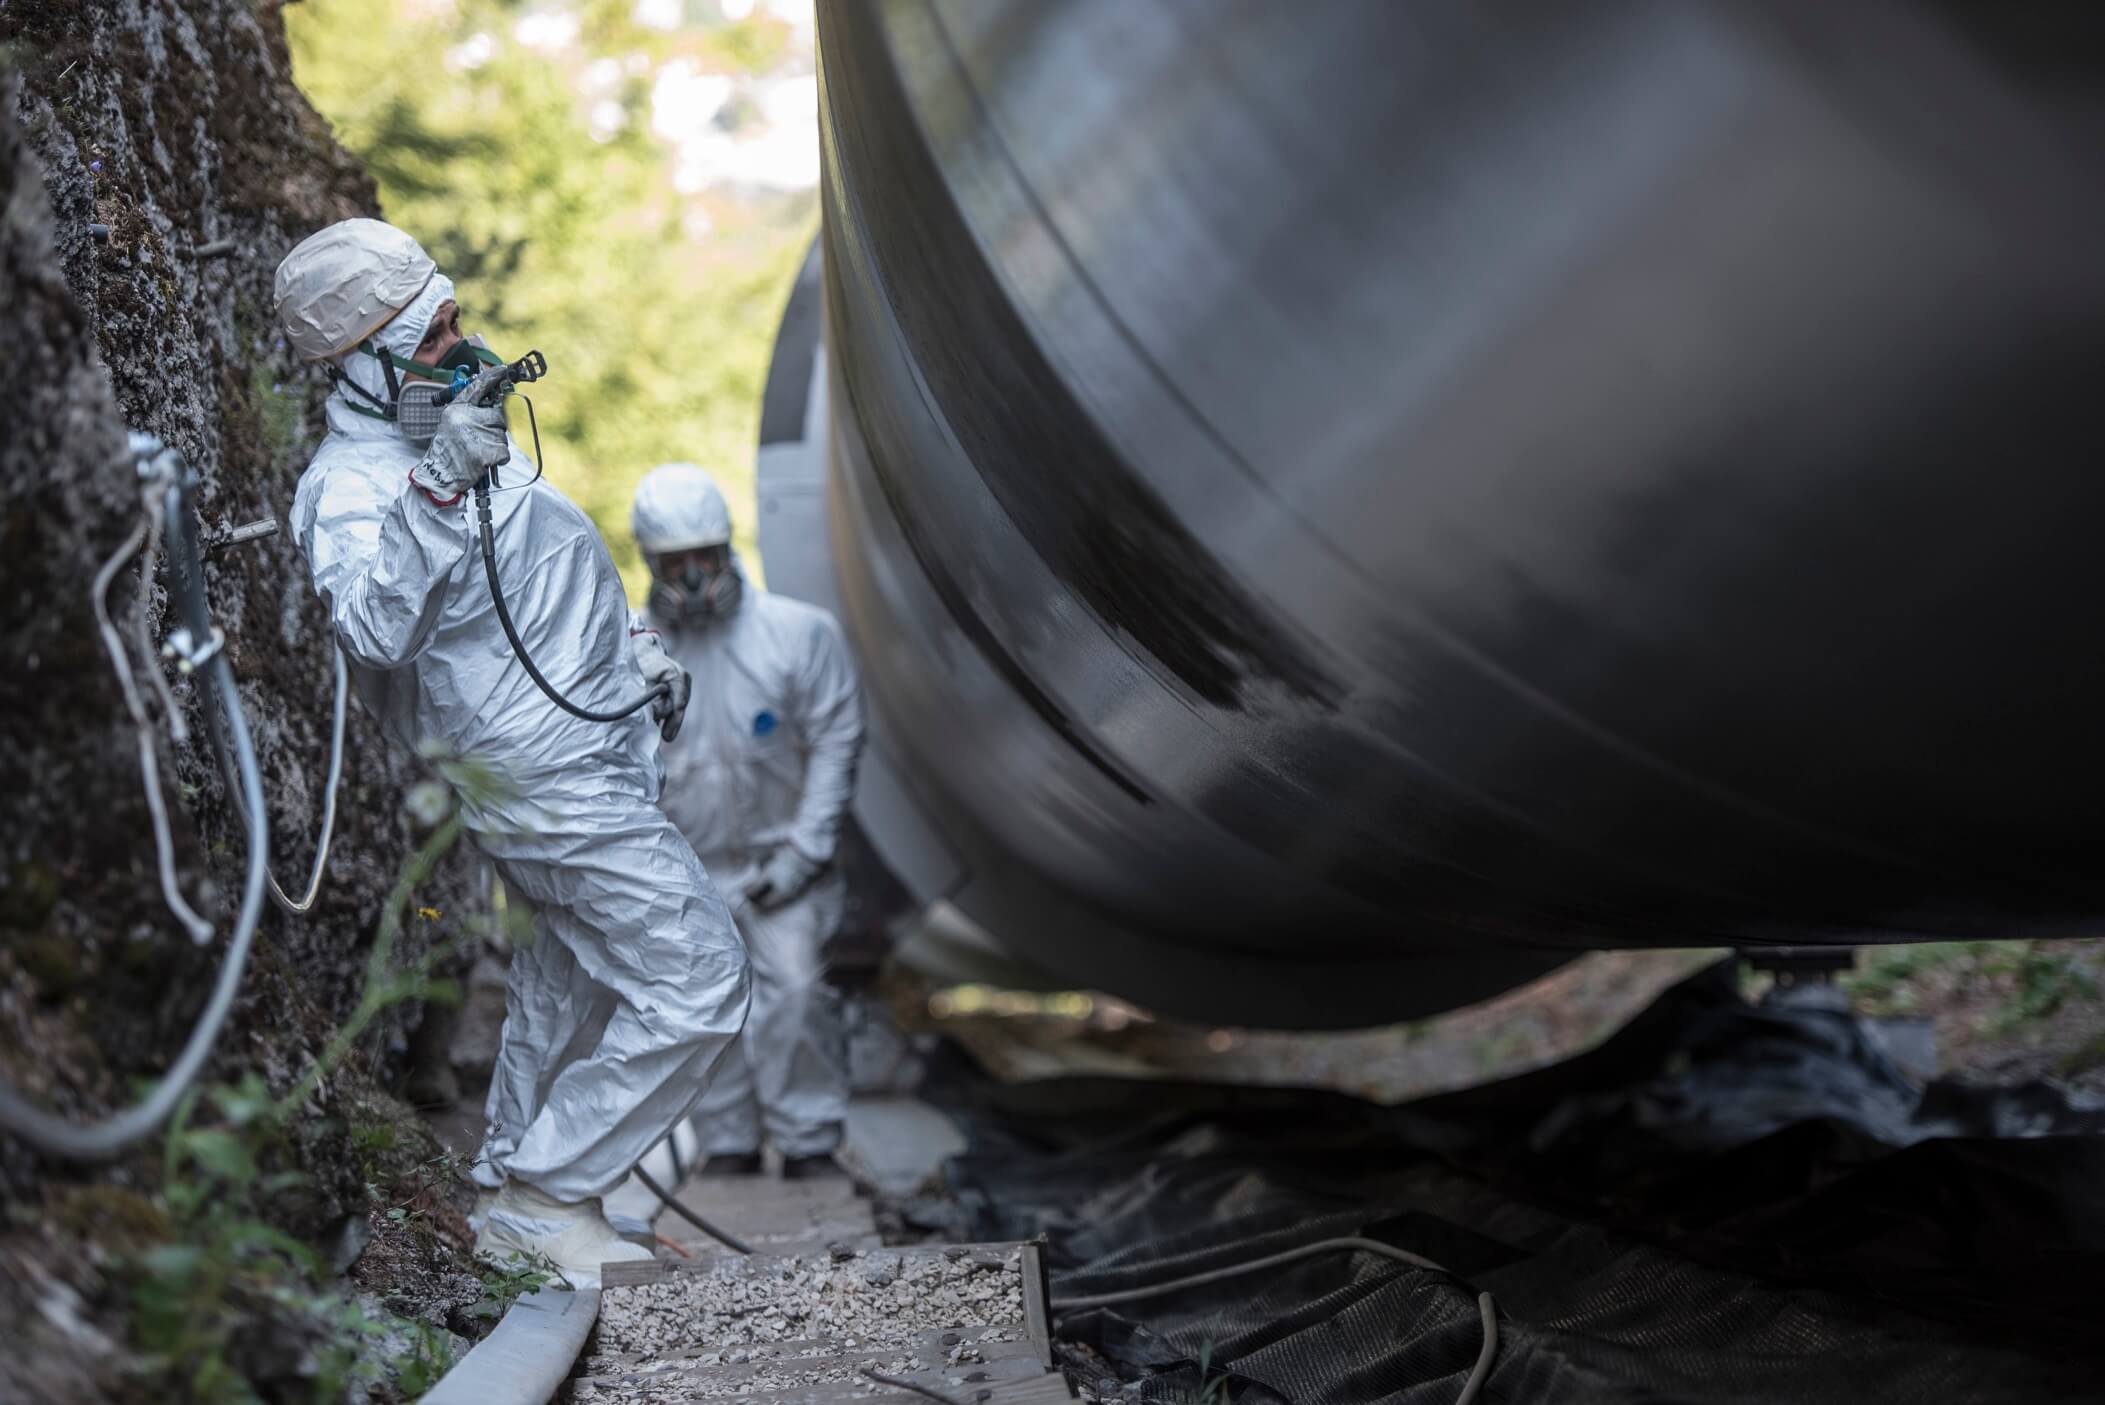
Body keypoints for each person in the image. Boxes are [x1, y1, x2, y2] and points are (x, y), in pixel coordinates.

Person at [274, 220, 750, 1285]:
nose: (463, 343)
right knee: (700, 981)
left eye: (454, 318)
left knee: (563, 982)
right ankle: (547, 1194)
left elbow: (538, 578)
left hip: (586, 748)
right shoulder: (355, 484)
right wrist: (435, 487)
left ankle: (508, 1191)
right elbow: (368, 629)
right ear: (361, 359)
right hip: (537, 776)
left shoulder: (459, 435)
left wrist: (635, 651)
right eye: (433, 331)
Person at [631, 463, 864, 1178]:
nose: (695, 577)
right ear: (651, 562)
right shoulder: (631, 655)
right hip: (691, 871)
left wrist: (804, 850)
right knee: (706, 1012)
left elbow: (836, 738)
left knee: (795, 994)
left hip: (781, 863)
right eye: (676, 563)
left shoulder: (797, 636)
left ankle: (808, 1140)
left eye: (705, 556)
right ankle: (727, 1141)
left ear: (728, 547)